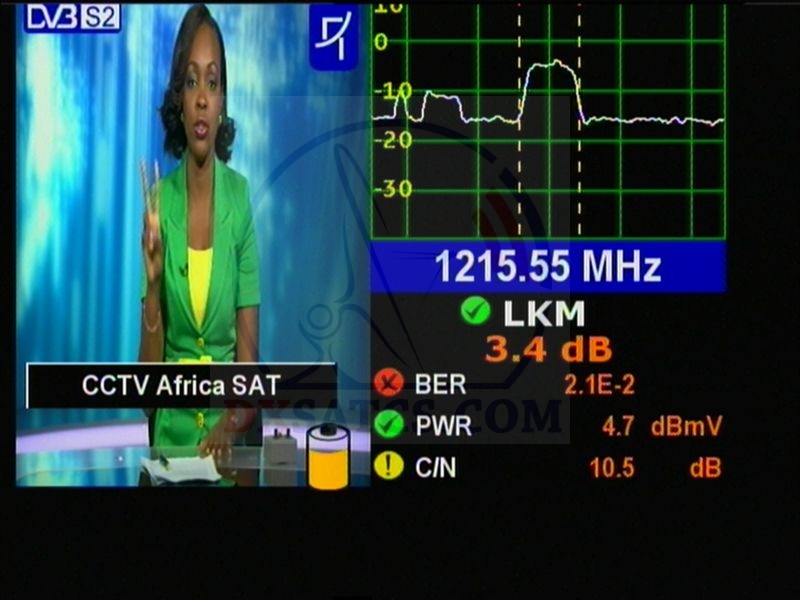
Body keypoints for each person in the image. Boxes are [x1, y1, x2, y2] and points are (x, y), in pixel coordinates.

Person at [139, 4, 260, 456]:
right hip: (169, 454)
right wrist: (153, 286)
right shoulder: (158, 203)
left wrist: (228, 428)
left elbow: (249, 376)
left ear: (223, 100)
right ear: (179, 101)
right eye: (191, 83)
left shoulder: (240, 200)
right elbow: (146, 391)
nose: (203, 98)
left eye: (213, 82)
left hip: (225, 455)